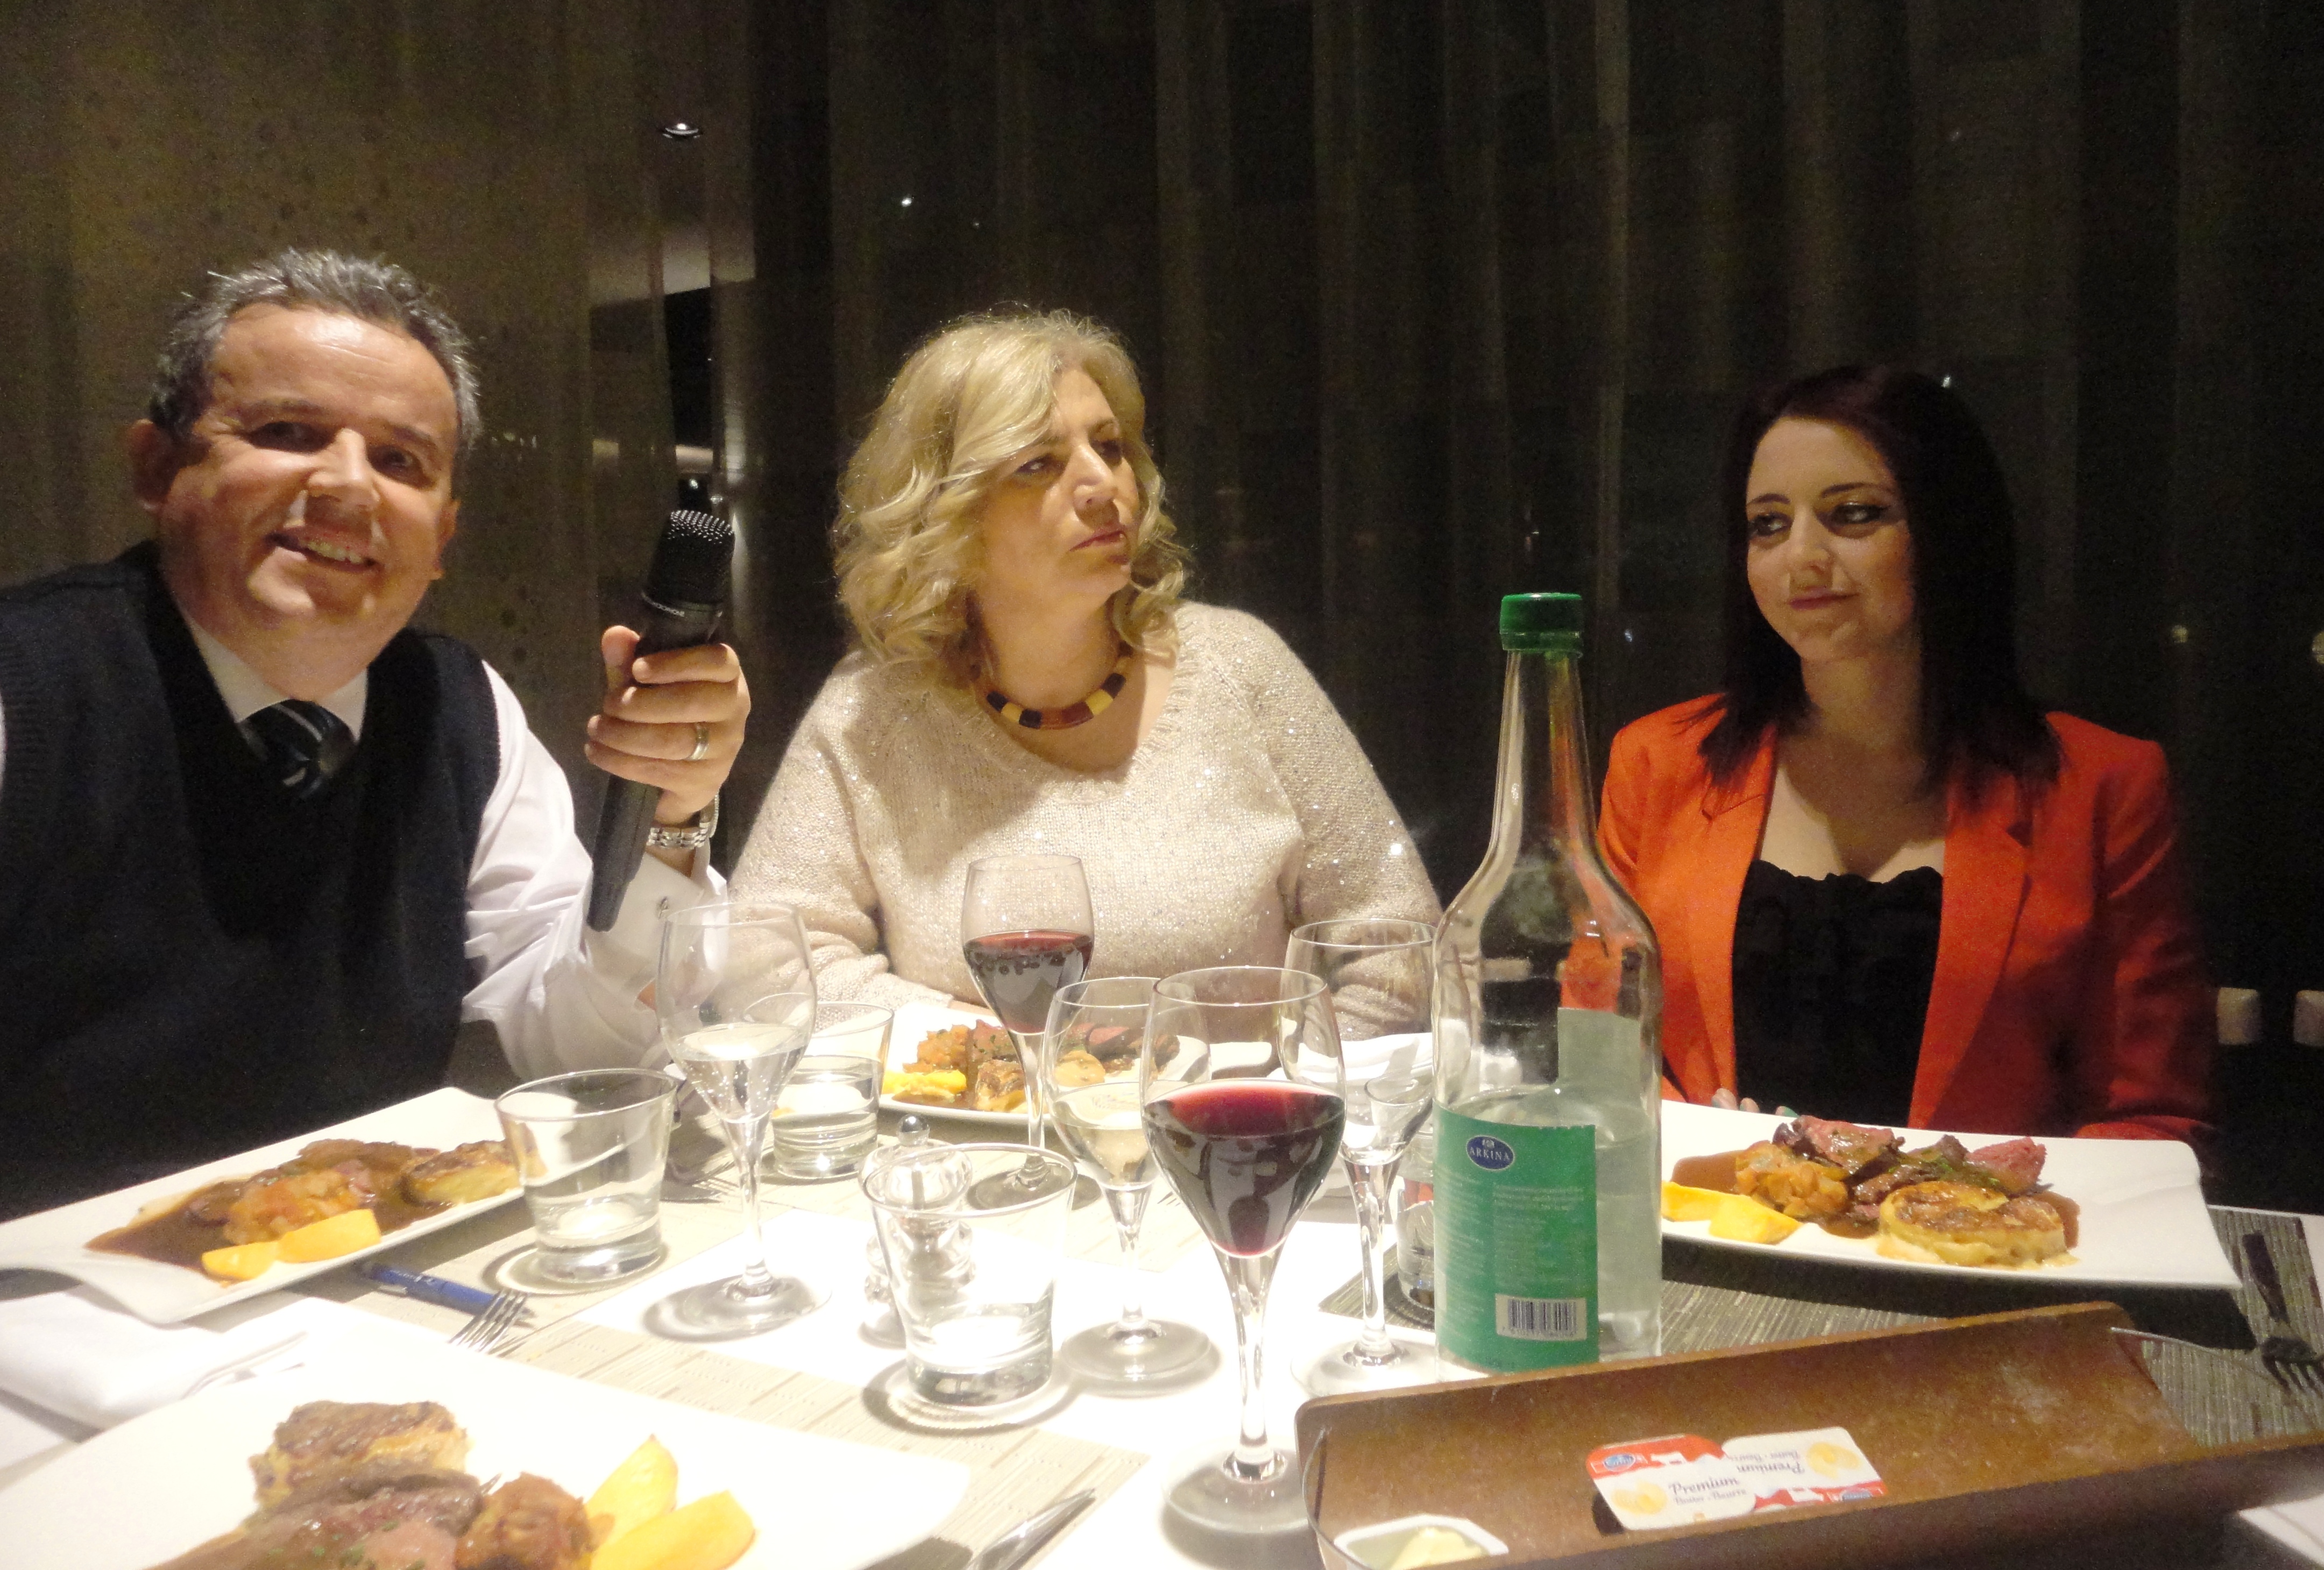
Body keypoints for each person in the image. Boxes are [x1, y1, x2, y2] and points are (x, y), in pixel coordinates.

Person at [0, 249, 748, 1217]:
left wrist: (672, 818)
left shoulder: (457, 707)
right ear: (155, 466)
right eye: (287, 432)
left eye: (401, 462)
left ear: (442, 537)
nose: (349, 486)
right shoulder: (29, 692)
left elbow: (578, 1045)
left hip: (371, 1265)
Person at [732, 309, 1436, 1007]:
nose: (1104, 485)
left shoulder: (1240, 666)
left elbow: (1404, 957)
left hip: (1238, 1089)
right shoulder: (877, 708)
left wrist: (1304, 1075)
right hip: (980, 1089)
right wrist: (986, 1049)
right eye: (1038, 464)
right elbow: (766, 966)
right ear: (946, 513)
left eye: (1110, 446)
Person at [1598, 365, 2210, 1143]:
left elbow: (2151, 1115)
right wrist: (1707, 1146)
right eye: (1768, 524)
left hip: (1983, 1221)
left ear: (1947, 531)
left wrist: (1965, 1203)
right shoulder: (1657, 763)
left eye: (1854, 514)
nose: (1801, 557)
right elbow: (1601, 1040)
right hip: (1709, 1208)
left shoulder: (2104, 787)